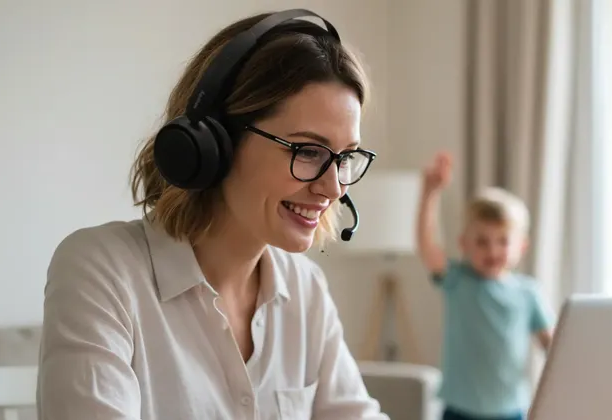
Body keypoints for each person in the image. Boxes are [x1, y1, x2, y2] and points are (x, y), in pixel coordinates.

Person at [37, 10, 388, 420]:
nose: (334, 188)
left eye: (346, 157)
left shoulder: (305, 290)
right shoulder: (102, 269)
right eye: (307, 150)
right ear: (213, 142)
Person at [415, 152, 554, 420]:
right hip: (459, 411)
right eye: (482, 241)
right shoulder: (457, 280)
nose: (492, 249)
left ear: (521, 246)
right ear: (464, 244)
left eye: (503, 241)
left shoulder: (528, 293)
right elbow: (427, 245)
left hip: (511, 410)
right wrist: (429, 193)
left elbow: (552, 345)